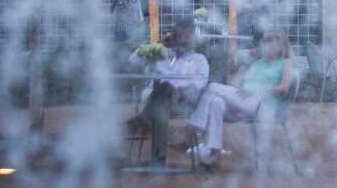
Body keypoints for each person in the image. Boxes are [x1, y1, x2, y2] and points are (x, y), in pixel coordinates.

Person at [186, 28, 295, 169]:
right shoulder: (258, 63)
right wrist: (244, 63)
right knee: (216, 103)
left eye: (269, 40)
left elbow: (284, 88)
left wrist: (257, 90)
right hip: (244, 104)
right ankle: (215, 153)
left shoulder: (285, 63)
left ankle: (189, 131)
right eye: (264, 40)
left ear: (280, 43)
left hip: (262, 105)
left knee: (212, 87)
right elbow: (235, 86)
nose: (264, 43)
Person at [125, 19, 209, 140]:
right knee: (162, 88)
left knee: (165, 88)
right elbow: (133, 60)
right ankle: (147, 121)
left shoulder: (199, 60)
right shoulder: (159, 52)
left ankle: (143, 120)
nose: (182, 40)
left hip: (179, 104)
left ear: (193, 38)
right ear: (172, 36)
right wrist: (159, 43)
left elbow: (197, 87)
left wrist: (177, 91)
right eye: (179, 36)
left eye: (186, 37)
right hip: (152, 98)